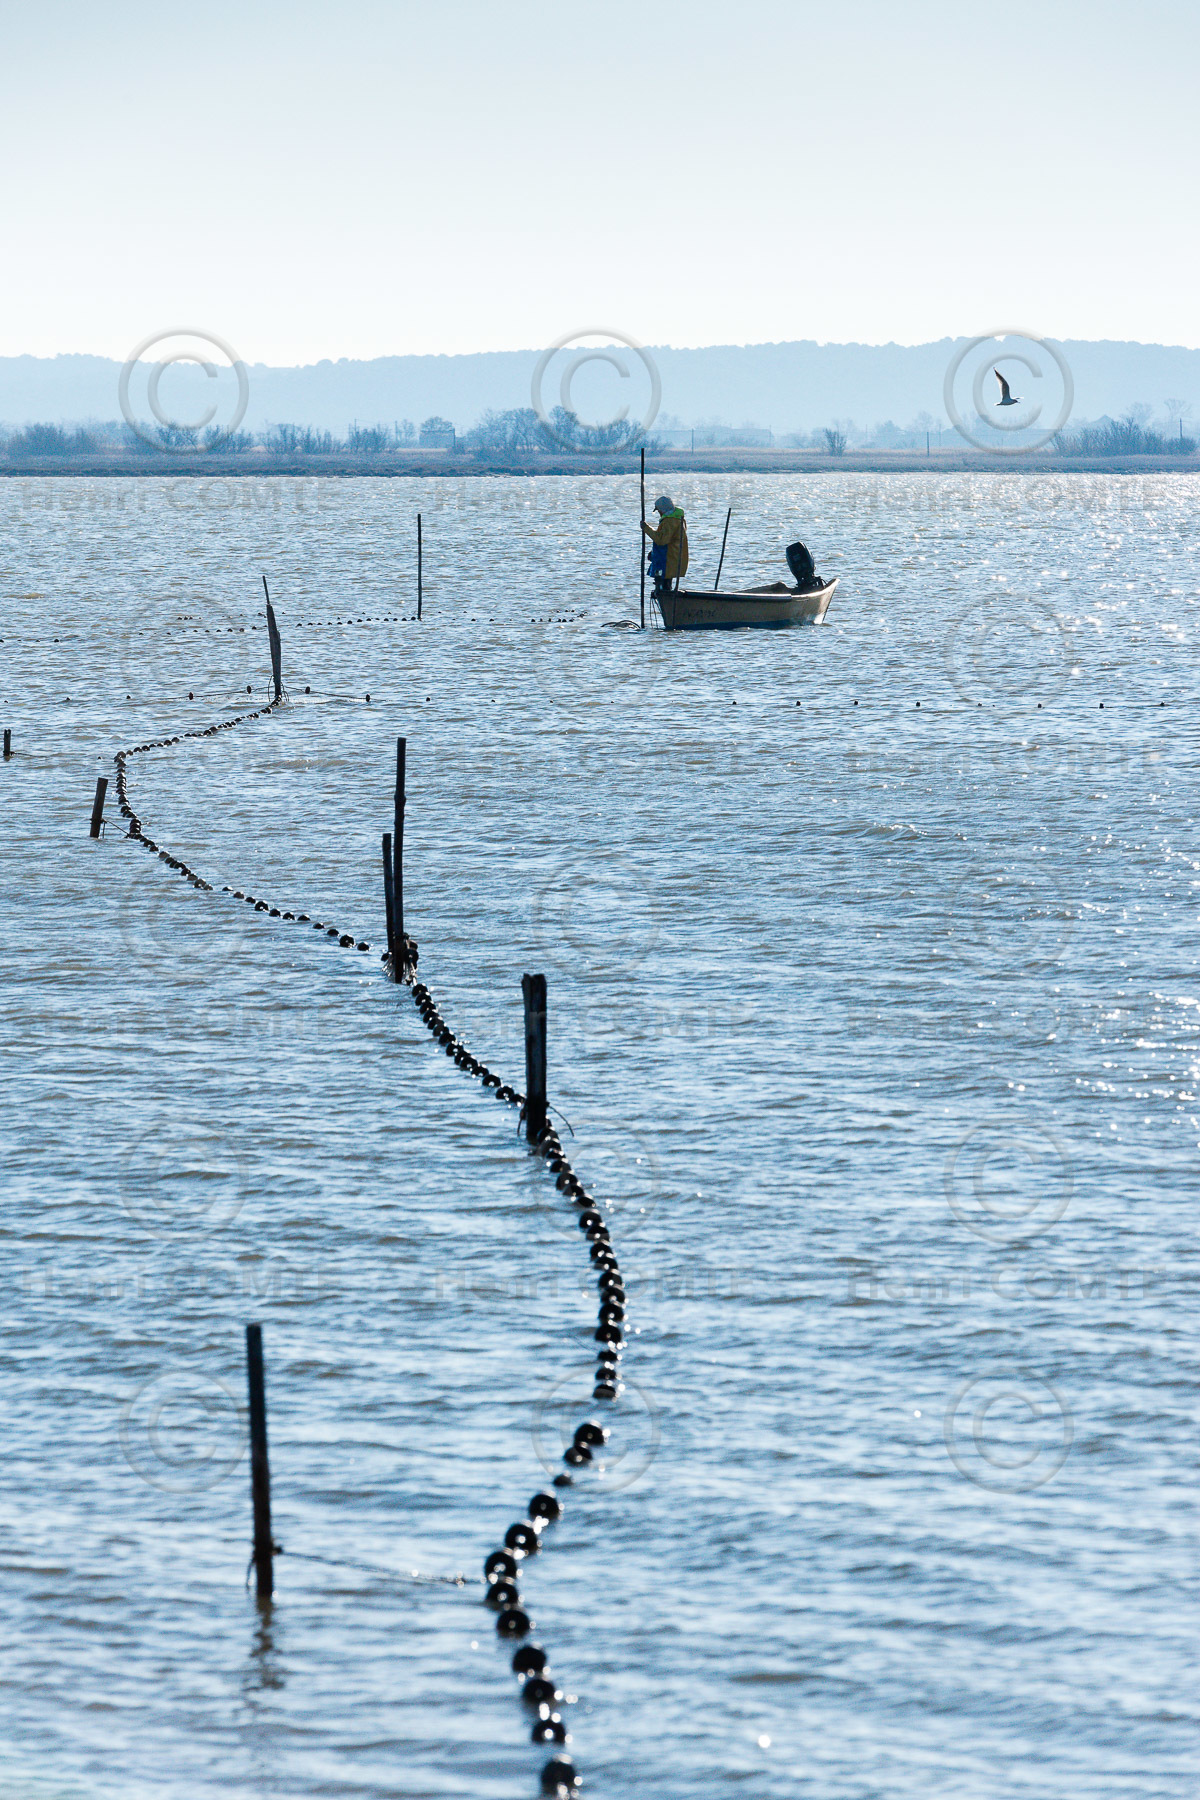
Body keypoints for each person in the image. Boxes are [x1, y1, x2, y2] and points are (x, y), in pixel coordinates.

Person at [641, 496, 689, 594]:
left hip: (667, 559)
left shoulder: (670, 521)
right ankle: (665, 596)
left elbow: (661, 540)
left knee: (663, 583)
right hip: (671, 557)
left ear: (662, 510)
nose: (659, 513)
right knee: (665, 582)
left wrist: (646, 528)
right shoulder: (677, 519)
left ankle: (664, 596)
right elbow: (668, 540)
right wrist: (654, 553)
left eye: (659, 510)